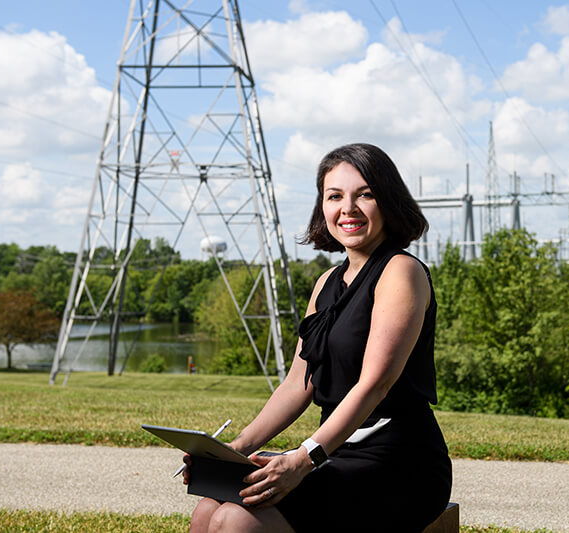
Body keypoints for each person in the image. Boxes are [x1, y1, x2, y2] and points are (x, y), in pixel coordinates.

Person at [185, 143, 452, 532]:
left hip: (398, 462)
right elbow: (298, 384)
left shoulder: (401, 271)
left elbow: (375, 384)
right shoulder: (327, 282)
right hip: (333, 452)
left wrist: (302, 458)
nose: (348, 209)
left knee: (235, 518)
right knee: (210, 505)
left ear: (388, 201)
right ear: (322, 206)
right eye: (335, 196)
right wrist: (232, 450)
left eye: (365, 195)